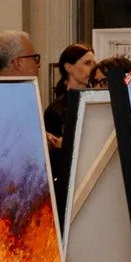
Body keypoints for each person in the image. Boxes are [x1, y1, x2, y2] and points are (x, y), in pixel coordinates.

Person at [46, 42, 94, 196]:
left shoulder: (95, 105)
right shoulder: (56, 111)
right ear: (69, 67)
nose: (92, 68)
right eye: (87, 63)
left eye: (94, 63)